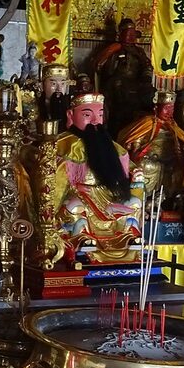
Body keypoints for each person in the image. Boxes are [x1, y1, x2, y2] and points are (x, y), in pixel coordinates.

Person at [52, 93, 142, 262]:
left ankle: (130, 235)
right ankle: (81, 237)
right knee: (74, 207)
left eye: (99, 115)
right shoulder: (63, 144)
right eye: (87, 115)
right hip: (80, 194)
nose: (95, 121)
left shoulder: (111, 147)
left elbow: (126, 168)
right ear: (70, 116)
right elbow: (55, 181)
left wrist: (137, 175)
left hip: (108, 195)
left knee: (135, 203)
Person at [117, 90, 184, 197]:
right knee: (145, 166)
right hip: (150, 159)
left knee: (180, 168)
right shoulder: (147, 123)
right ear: (157, 108)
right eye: (166, 108)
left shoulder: (173, 125)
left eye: (172, 108)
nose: (169, 112)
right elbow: (135, 139)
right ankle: (144, 195)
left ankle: (169, 198)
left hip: (169, 159)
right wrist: (136, 149)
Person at [92, 18, 154, 136]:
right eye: (128, 34)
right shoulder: (114, 49)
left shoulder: (139, 51)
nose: (131, 37)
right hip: (116, 82)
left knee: (149, 94)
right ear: (121, 34)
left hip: (136, 83)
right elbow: (99, 65)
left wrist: (146, 78)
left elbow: (147, 65)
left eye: (133, 34)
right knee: (118, 90)